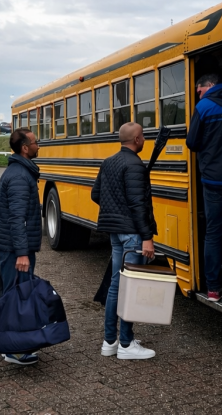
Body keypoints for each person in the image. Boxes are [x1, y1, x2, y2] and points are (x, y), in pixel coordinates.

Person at [92, 122, 157, 360]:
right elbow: (139, 205)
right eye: (143, 136)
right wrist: (147, 238)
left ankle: (110, 341)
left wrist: (116, 212)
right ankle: (127, 344)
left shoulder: (108, 162)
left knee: (116, 286)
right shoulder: (135, 165)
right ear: (137, 139)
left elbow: (95, 194)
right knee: (131, 289)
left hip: (114, 233)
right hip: (133, 234)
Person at [0, 127, 42, 366]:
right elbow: (17, 218)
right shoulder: (20, 177)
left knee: (16, 295)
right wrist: (22, 253)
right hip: (14, 251)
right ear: (25, 147)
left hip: (12, 248)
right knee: (15, 297)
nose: (38, 145)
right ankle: (13, 350)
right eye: (35, 142)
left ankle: (14, 345)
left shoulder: (19, 172)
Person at [186, 74, 222, 306]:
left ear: (209, 86)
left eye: (199, 90)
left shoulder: (204, 106)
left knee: (214, 233)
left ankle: (214, 288)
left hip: (213, 181)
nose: (198, 94)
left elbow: (192, 142)